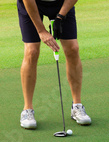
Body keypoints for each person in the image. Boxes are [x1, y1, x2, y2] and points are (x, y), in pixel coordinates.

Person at [17, 0, 91, 129]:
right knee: (31, 51)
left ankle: (77, 106)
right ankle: (27, 110)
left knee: (72, 48)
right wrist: (41, 31)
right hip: (32, 4)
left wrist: (60, 16)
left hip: (60, 3)